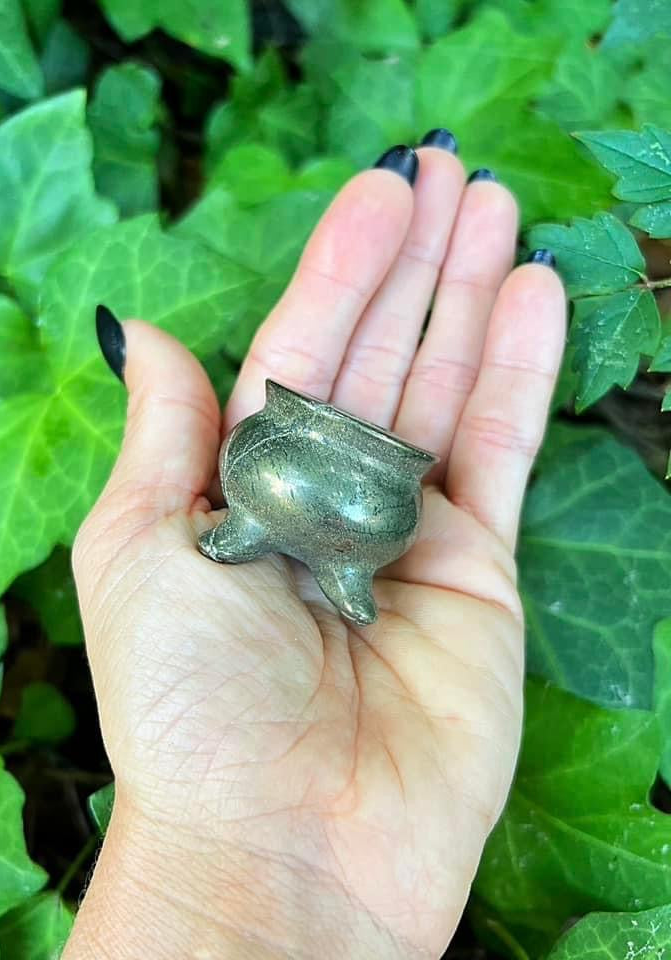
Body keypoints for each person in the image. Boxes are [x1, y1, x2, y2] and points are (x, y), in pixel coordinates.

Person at [63, 130, 565, 959]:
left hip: (324, 490)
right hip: (305, 492)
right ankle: (289, 549)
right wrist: (214, 855)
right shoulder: (285, 459)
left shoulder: (297, 467)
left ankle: (333, 566)